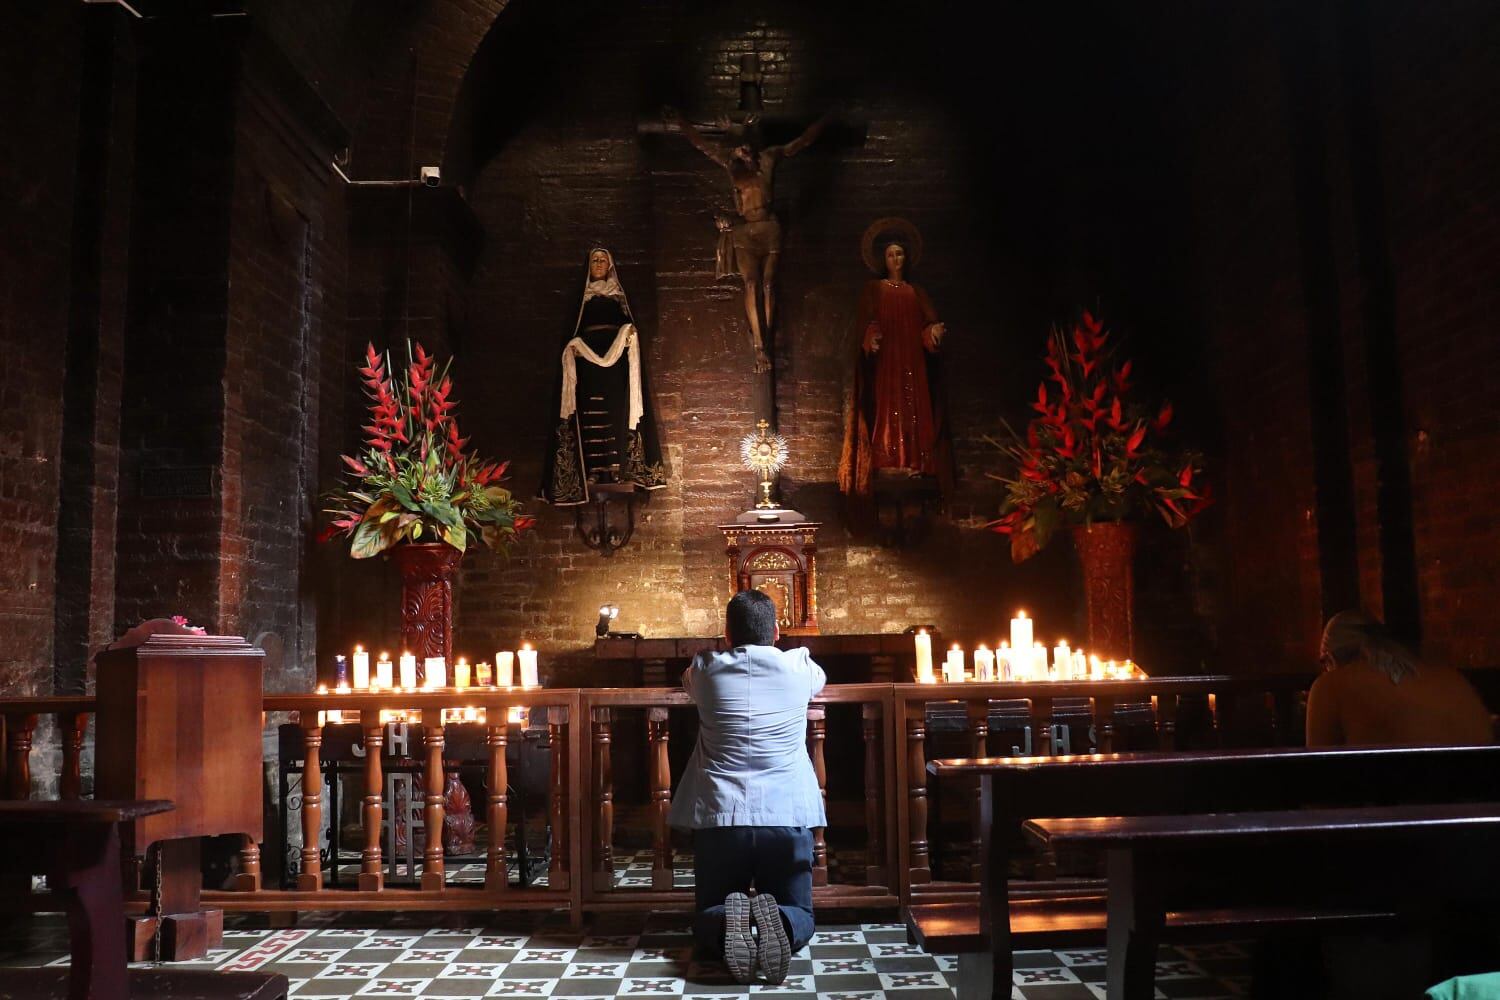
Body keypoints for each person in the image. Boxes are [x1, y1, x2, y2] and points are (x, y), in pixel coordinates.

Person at [669, 589, 826, 984]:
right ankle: (783, 923)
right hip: (786, 817)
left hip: (723, 818)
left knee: (708, 911)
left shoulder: (705, 669)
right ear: (776, 631)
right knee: (801, 911)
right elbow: (820, 681)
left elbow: (686, 680)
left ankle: (726, 920)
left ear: (726, 633)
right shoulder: (800, 668)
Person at [662, 106, 835, 374]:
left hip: (769, 228)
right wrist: (681, 122)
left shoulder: (768, 158)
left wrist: (826, 117)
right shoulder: (732, 167)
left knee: (768, 284)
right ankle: (759, 346)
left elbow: (802, 141)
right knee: (751, 283)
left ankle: (767, 341)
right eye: (739, 145)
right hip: (746, 232)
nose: (744, 149)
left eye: (746, 143)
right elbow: (702, 145)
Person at [539, 247, 667, 505]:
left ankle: (618, 469)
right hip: (588, 365)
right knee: (591, 415)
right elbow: (570, 332)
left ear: (610, 265)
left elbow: (631, 325)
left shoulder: (619, 297)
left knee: (615, 413)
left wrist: (630, 333)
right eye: (594, 260)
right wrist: (573, 348)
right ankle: (594, 471)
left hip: (616, 363)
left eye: (603, 260)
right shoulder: (582, 300)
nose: (598, 264)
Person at [838, 219, 954, 503]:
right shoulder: (875, 289)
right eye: (890, 254)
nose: (896, 259)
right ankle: (887, 462)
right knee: (887, 407)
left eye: (900, 253)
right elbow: (867, 321)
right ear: (883, 259)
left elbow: (927, 326)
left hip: (912, 360)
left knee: (914, 405)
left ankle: (916, 463)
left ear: (907, 257)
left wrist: (933, 332)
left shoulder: (916, 292)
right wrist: (872, 337)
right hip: (887, 361)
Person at [1305, 610, 1492, 747]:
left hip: (1406, 796)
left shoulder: (1332, 685)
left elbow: (1319, 775)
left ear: (1330, 657)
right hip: (1483, 793)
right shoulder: (1450, 678)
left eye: (1325, 663)